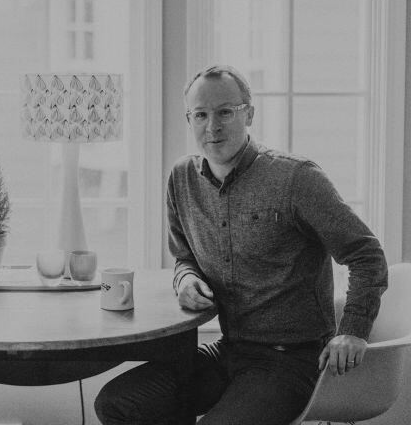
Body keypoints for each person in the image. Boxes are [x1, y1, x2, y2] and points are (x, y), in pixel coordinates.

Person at [94, 64, 388, 425]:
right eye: (200, 114)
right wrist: (185, 281)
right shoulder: (181, 179)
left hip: (292, 360)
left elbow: (366, 254)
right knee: (119, 403)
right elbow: (184, 257)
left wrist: (353, 331)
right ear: (189, 119)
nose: (212, 126)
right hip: (228, 351)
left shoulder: (296, 178)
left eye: (225, 112)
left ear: (249, 113)